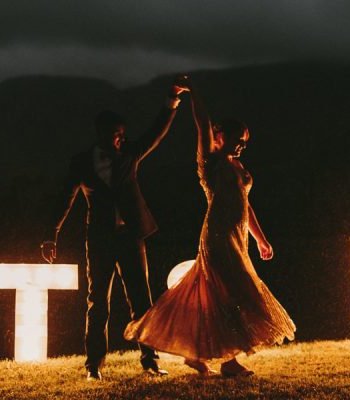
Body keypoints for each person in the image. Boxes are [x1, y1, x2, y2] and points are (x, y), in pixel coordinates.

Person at [124, 78, 295, 377]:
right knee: (232, 294)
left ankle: (198, 355)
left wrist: (261, 240)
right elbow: (202, 123)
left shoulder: (238, 167)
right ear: (220, 136)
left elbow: (246, 204)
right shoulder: (211, 162)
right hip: (217, 235)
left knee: (213, 297)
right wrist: (195, 94)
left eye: (245, 142)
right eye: (238, 139)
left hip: (237, 236)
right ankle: (228, 361)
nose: (242, 145)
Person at [41, 76, 189, 381]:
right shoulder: (81, 163)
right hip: (99, 239)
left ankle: (150, 358)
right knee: (98, 302)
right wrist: (51, 234)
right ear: (100, 134)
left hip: (131, 236)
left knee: (141, 299)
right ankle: (93, 365)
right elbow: (64, 200)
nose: (119, 139)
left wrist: (172, 100)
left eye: (121, 134)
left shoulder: (130, 155)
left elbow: (156, 133)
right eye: (113, 134)